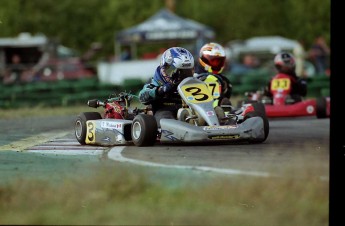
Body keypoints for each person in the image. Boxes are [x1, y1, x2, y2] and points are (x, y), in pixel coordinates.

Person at [138, 47, 195, 127]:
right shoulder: (156, 82)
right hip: (164, 109)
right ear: (164, 68)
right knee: (165, 119)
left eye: (185, 72)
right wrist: (161, 90)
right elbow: (142, 96)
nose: (179, 76)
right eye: (173, 71)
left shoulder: (194, 81)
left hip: (191, 110)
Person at [194, 42, 233, 107]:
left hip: (217, 111)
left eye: (219, 61)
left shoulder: (224, 80)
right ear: (204, 59)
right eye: (214, 61)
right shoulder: (193, 76)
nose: (216, 64)